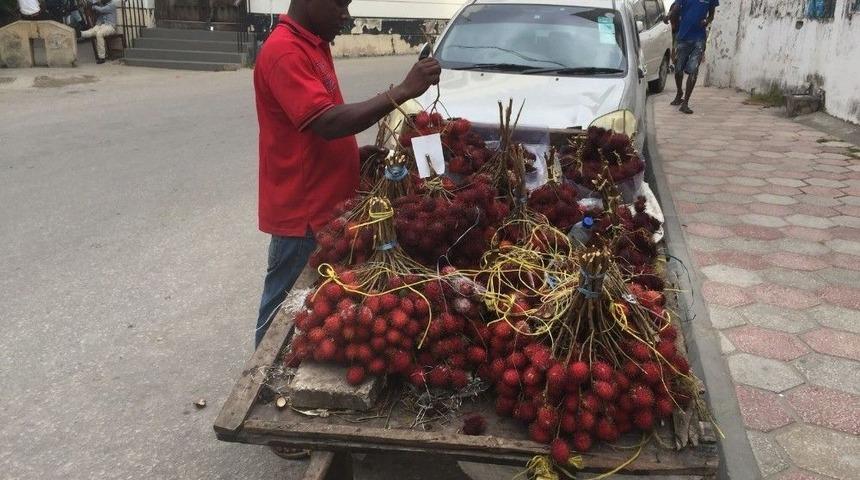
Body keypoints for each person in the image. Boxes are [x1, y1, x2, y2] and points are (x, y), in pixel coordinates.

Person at [253, 0, 441, 349]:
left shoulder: (313, 43)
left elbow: (309, 127)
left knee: (308, 306)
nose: (347, 15)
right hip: (304, 215)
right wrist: (401, 92)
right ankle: (257, 381)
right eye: (340, 4)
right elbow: (326, 123)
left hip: (327, 206)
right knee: (280, 311)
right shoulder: (285, 52)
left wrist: (350, 158)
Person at [669, 0, 717, 114]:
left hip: (699, 39)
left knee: (693, 70)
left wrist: (707, 21)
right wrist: (669, 17)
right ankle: (679, 92)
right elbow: (675, 8)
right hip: (683, 37)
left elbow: (711, 14)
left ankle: (685, 103)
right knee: (678, 69)